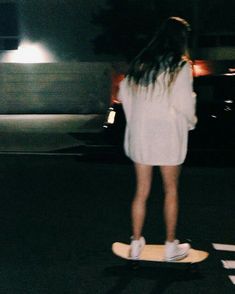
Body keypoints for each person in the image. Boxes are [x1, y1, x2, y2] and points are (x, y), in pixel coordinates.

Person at [117, 16, 197, 261]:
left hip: (142, 136)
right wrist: (191, 122)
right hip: (168, 136)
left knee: (141, 191)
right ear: (180, 39)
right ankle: (171, 246)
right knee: (170, 190)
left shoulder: (140, 65)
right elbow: (184, 103)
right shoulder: (180, 66)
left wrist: (135, 123)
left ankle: (136, 244)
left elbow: (124, 96)